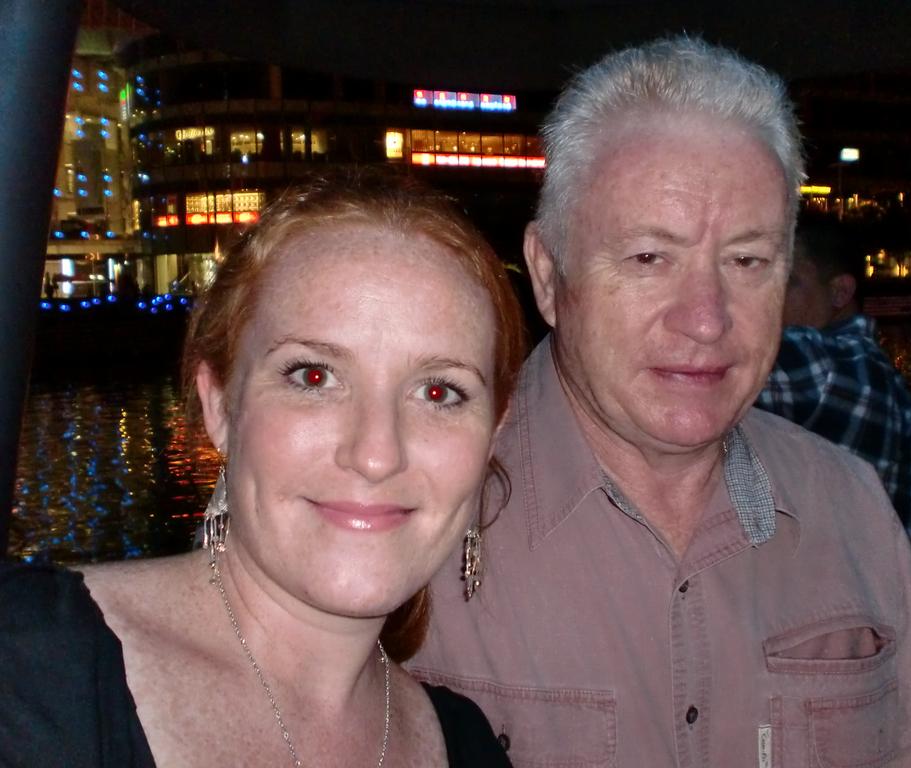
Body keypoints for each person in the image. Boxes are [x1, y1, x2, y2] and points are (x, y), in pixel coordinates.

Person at [410, 36, 911, 766]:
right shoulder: (405, 508)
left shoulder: (848, 502)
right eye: (650, 258)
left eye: (747, 261)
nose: (707, 318)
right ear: (548, 273)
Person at [0, 171, 523, 767]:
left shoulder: (470, 747)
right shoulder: (25, 667)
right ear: (220, 404)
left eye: (438, 393)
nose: (377, 454)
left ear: (494, 429)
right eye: (314, 376)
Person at [755, 216, 911, 593]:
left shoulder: (838, 365)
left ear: (839, 293)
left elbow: (722, 362)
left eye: (786, 282)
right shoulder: (869, 368)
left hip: (866, 634)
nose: (763, 296)